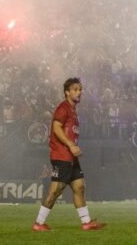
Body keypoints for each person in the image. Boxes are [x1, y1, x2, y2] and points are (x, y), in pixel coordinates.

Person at [32, 78, 106, 231]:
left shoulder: (72, 110)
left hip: (71, 157)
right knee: (56, 190)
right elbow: (56, 127)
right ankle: (38, 223)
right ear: (67, 92)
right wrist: (71, 145)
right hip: (62, 155)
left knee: (79, 187)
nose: (79, 92)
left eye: (80, 90)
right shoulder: (63, 108)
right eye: (75, 89)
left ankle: (86, 223)